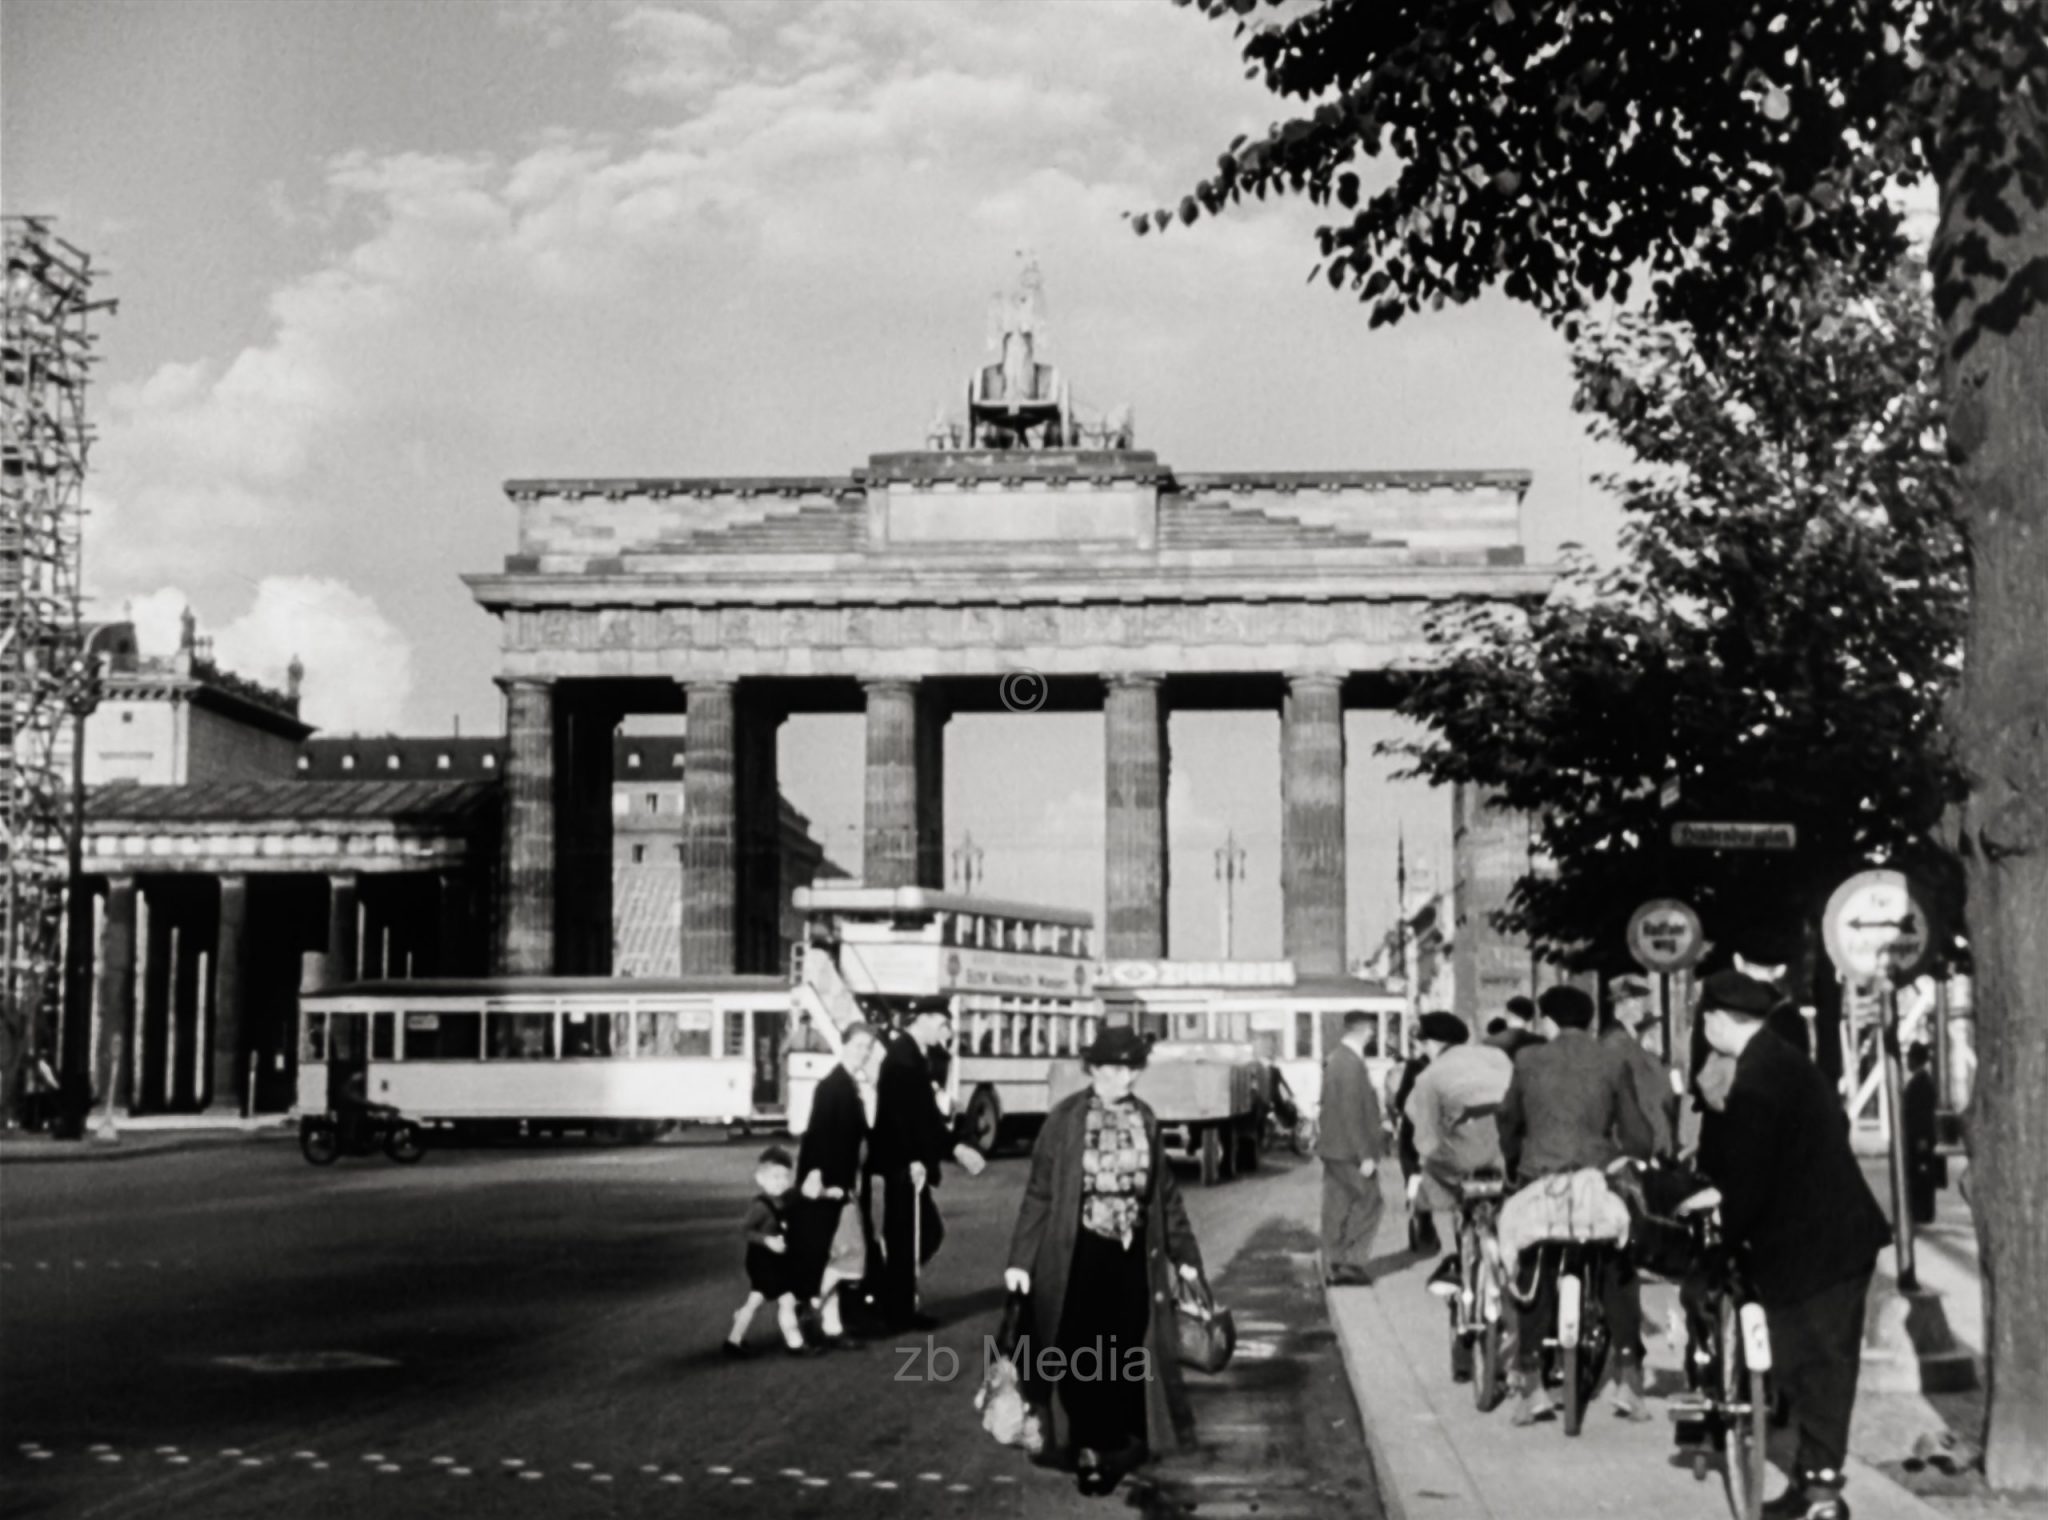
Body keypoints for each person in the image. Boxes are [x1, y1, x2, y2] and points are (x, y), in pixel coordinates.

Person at [1693, 970, 1889, 1520]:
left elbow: (1749, 1181)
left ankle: (1820, 1490)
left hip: (1815, 1245)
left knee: (1807, 1365)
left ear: (1714, 1021)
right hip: (1837, 1236)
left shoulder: (1754, 1081)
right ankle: (1816, 1486)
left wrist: (1722, 1240)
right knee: (1823, 1364)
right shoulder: (1783, 1061)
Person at [1005, 1025, 1205, 1496]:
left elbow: (1164, 1195)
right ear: (1093, 1068)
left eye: (1133, 1068)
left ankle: (1110, 1439)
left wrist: (1185, 1254)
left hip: (1131, 1259)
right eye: (1116, 1068)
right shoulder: (1064, 1120)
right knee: (1077, 1349)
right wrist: (1020, 1259)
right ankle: (1089, 1448)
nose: (1127, 1078)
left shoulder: (1146, 1119)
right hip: (1076, 1256)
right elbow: (1039, 1193)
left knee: (1120, 1348)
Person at [1497, 984, 1656, 1425]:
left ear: (1546, 1021)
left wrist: (1513, 1161)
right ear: (1589, 1021)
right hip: (1595, 1178)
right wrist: (1638, 1155)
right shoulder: (1611, 1058)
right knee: (1615, 1264)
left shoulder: (1528, 1060)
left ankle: (1531, 1384)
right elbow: (1637, 1128)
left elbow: (1509, 1119)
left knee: (1534, 1264)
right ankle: (1628, 1378)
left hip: (1540, 1178)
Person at [869, 1011, 985, 1329]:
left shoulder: (916, 1056)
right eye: (945, 1025)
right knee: (917, 1233)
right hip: (904, 1164)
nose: (947, 1033)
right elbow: (898, 1116)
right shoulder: (901, 1059)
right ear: (926, 1019)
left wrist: (955, 1147)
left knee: (915, 1234)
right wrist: (911, 1159)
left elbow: (926, 1117)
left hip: (909, 1162)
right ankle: (894, 1300)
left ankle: (894, 1296)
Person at [1404, 1011, 1514, 1313]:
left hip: (1465, 1154)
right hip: (1507, 1148)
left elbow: (1423, 1136)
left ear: (1434, 1043)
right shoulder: (1497, 1057)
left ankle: (1450, 1251)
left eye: (1423, 1042)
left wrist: (1427, 1158)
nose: (1423, 1049)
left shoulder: (1429, 1076)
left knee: (1438, 1172)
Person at [794, 1022, 878, 1347]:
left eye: (868, 1048)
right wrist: (817, 1175)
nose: (864, 1053)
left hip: (842, 1184)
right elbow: (816, 1133)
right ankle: (811, 1303)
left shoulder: (849, 1085)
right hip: (833, 1185)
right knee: (852, 1254)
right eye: (859, 1046)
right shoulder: (832, 1086)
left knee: (837, 1254)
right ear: (844, 1045)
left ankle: (832, 1326)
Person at [1316, 1010, 1385, 1286]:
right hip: (1349, 1151)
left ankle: (1333, 1263)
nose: (1373, 1035)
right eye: (1371, 1029)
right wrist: (1364, 1154)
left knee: (1337, 1205)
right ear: (1362, 1029)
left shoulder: (1338, 1059)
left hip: (1335, 1147)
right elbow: (1351, 1112)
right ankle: (1350, 1263)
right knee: (1371, 1201)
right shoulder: (1350, 1063)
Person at [726, 1146, 812, 1358]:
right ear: (760, 1179)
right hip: (763, 1261)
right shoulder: (761, 1207)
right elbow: (744, 1230)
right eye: (775, 1177)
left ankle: (734, 1340)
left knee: (757, 1301)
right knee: (785, 1299)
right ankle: (795, 1343)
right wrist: (767, 1240)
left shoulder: (786, 1200)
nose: (781, 1181)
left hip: (776, 1261)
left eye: (785, 1176)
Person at [1598, 991, 1678, 1158]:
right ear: (1618, 1011)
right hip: (1640, 1136)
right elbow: (1664, 1095)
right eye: (1632, 1004)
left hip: (1639, 1134)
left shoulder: (1618, 1044)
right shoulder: (1623, 1046)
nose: (1638, 1009)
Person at [1388, 1035, 1440, 1253]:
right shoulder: (1441, 1066)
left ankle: (1419, 1216)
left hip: (1412, 1132)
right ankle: (1427, 1225)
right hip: (1435, 1133)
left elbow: (1400, 1099)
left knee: (1412, 1173)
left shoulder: (1413, 1067)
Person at [1902, 1041, 1941, 1227]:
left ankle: (1922, 1212)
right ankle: (1921, 1211)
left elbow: (1922, 1114)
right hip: (1919, 1137)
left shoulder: (1921, 1084)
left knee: (1921, 1176)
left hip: (1919, 1138)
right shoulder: (1923, 1082)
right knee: (1920, 1175)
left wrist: (1922, 1138)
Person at [1487, 996, 1547, 1061]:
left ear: (1509, 1014)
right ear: (1529, 1018)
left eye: (1506, 1013)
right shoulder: (1540, 1042)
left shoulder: (1498, 1043)